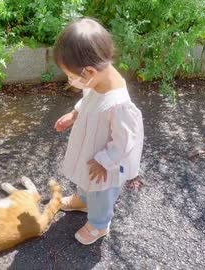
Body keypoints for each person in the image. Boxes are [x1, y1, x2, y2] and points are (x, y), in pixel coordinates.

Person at [53, 18, 144, 245]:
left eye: (71, 76)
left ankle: (99, 224)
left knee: (102, 193)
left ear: (90, 71)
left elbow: (125, 140)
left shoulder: (119, 104)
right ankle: (83, 200)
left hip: (106, 164)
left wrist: (104, 160)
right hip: (90, 147)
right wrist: (75, 115)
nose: (69, 80)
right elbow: (88, 101)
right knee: (85, 175)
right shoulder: (97, 83)